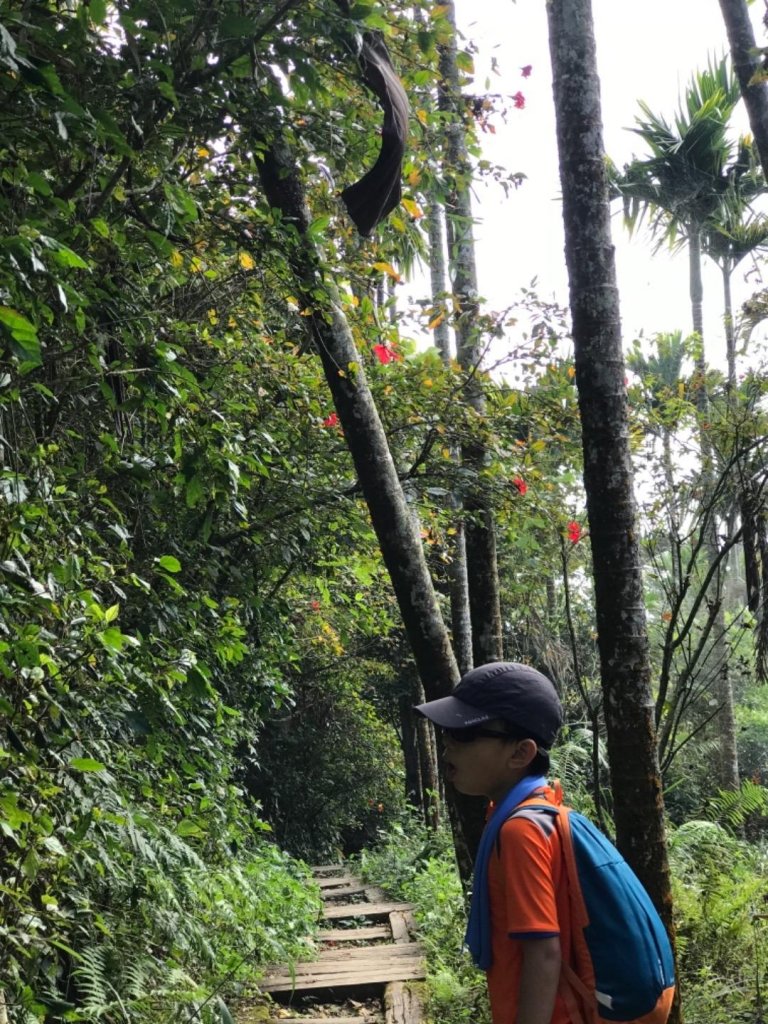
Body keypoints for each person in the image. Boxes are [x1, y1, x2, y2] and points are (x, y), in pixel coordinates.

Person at [415, 661, 569, 1024]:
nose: (447, 743)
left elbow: (543, 953)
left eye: (464, 733)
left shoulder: (521, 831)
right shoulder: (535, 809)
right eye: (447, 731)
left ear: (521, 753)